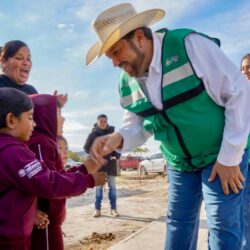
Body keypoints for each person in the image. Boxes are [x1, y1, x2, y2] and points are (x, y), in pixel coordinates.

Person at [85, 3, 250, 249]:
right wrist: (117, 138)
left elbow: (239, 93)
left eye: (117, 52)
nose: (115, 63)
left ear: (139, 38)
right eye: (110, 57)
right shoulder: (127, 80)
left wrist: (229, 158)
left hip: (220, 157)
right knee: (177, 223)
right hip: (179, 163)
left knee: (222, 225)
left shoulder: (189, 45)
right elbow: (136, 124)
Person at [0, 87, 106, 249]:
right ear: (11, 120)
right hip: (13, 239)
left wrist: (83, 169)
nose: (34, 123)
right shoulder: (16, 151)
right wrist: (88, 180)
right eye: (30, 117)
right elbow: (48, 182)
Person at [0, 40, 68, 107]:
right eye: (19, 58)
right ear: (3, 61)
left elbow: (37, 116)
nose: (26, 63)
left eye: (28, 59)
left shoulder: (31, 90)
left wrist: (53, 106)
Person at [84, 114, 121, 217]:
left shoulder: (113, 133)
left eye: (105, 121)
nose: (103, 123)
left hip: (111, 164)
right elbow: (86, 147)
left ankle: (113, 209)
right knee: (99, 188)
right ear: (97, 122)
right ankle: (97, 209)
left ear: (107, 121)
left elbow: (119, 146)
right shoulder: (93, 134)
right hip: (98, 165)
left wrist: (116, 155)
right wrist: (95, 154)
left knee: (112, 187)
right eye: (101, 121)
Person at [241, 53, 250, 250]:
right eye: (242, 68)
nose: (245, 71)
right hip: (243, 161)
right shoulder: (238, 94)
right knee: (243, 212)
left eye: (248, 67)